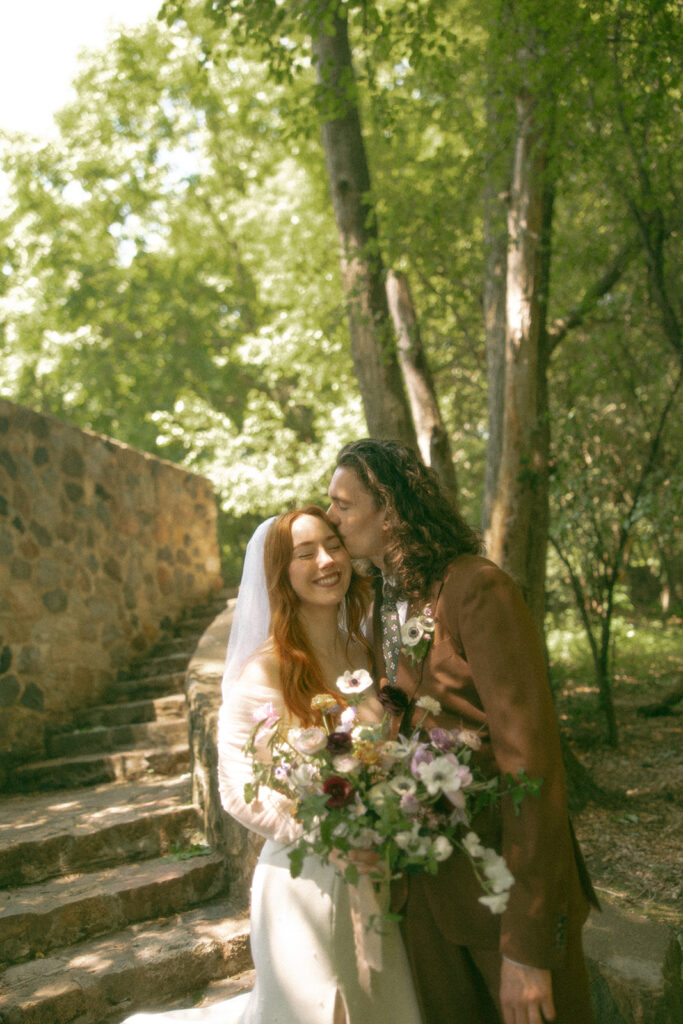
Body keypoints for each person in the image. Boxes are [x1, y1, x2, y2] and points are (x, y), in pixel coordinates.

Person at [327, 440, 599, 1024]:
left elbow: (533, 762)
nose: (332, 519)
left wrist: (527, 946)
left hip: (498, 890)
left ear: (389, 508)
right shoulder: (386, 604)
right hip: (422, 898)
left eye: (343, 505)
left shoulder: (477, 588)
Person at [121, 507, 422, 1024]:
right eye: (305, 554)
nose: (327, 561)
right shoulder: (264, 670)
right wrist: (333, 834)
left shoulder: (362, 651)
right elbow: (237, 790)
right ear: (280, 574)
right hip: (305, 884)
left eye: (334, 544)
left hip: (375, 876)